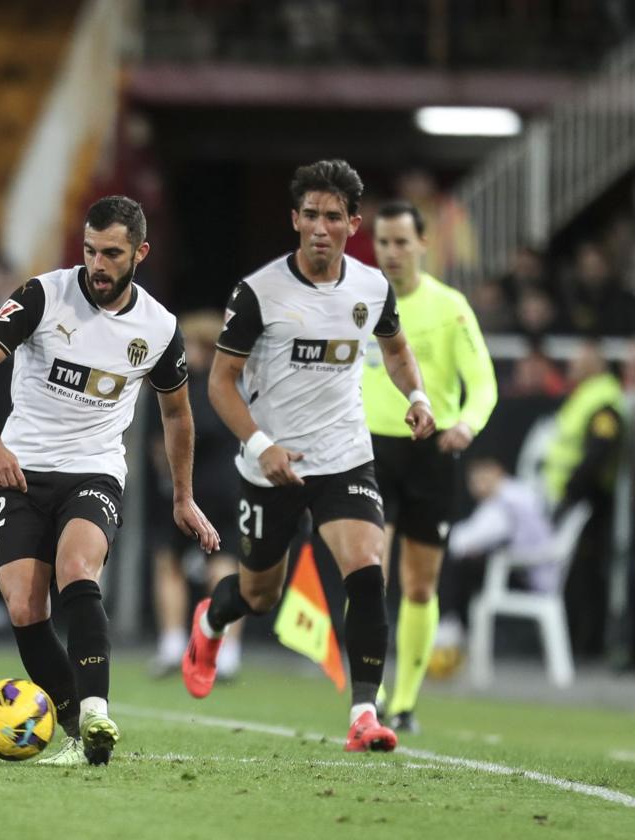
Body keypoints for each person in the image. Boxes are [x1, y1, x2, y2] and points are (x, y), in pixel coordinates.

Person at [0, 195, 220, 766]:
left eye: (113, 253)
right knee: (25, 607)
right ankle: (77, 732)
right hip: (21, 469)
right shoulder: (42, 296)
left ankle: (97, 712)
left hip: (94, 470)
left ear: (140, 253)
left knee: (77, 569)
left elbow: (177, 414)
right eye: (91, 250)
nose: (98, 264)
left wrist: (184, 496)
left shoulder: (160, 327)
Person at [181, 160, 435, 753]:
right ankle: (211, 623)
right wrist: (261, 445)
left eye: (333, 216)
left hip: (343, 456)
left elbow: (395, 351)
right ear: (295, 220)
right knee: (258, 596)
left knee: (368, 570)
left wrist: (417, 395)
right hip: (270, 465)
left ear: (354, 222)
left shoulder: (372, 287)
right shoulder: (259, 292)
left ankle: (364, 714)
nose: (321, 227)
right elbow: (221, 382)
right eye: (311, 216)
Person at [363, 200, 498, 733]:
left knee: (420, 586)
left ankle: (405, 702)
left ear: (423, 244)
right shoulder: (359, 302)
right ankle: (364, 698)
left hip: (431, 452)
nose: (392, 252)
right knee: (368, 573)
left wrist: (466, 423)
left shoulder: (450, 307)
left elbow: (482, 380)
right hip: (368, 450)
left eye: (402, 242)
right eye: (383, 243)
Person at [147, 310, 243, 680]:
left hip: (194, 486)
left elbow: (188, 432)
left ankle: (175, 644)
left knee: (171, 561)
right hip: (229, 483)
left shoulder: (194, 387)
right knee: (224, 562)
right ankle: (226, 650)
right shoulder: (234, 383)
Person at [431, 457, 556, 672]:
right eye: (474, 480)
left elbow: (466, 540)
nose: (477, 485)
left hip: (529, 574)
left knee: (460, 562)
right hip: (531, 570)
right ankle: (454, 624)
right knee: (468, 561)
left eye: (483, 478)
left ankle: (451, 626)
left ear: (499, 474)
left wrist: (437, 538)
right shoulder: (519, 494)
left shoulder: (506, 501)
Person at [542, 341, 626, 657]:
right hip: (572, 498)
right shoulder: (584, 395)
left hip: (588, 500)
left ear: (595, 365)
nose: (572, 364)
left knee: (586, 575)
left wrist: (572, 494)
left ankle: (586, 647)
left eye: (579, 359)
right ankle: (574, 643)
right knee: (575, 574)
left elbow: (597, 453)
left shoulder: (603, 401)